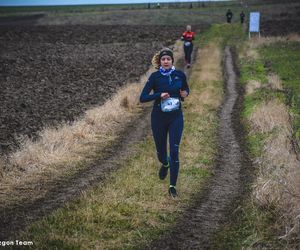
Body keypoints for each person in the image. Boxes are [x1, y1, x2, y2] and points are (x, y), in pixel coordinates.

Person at [139, 48, 190, 198]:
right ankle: (165, 163)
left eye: (168, 59)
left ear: (172, 61)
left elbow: (186, 88)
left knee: (174, 151)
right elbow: (142, 98)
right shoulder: (155, 77)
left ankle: (172, 186)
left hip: (176, 118)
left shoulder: (179, 75)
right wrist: (158, 95)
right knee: (162, 154)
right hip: (158, 118)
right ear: (160, 61)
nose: (166, 61)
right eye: (163, 59)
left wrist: (185, 93)